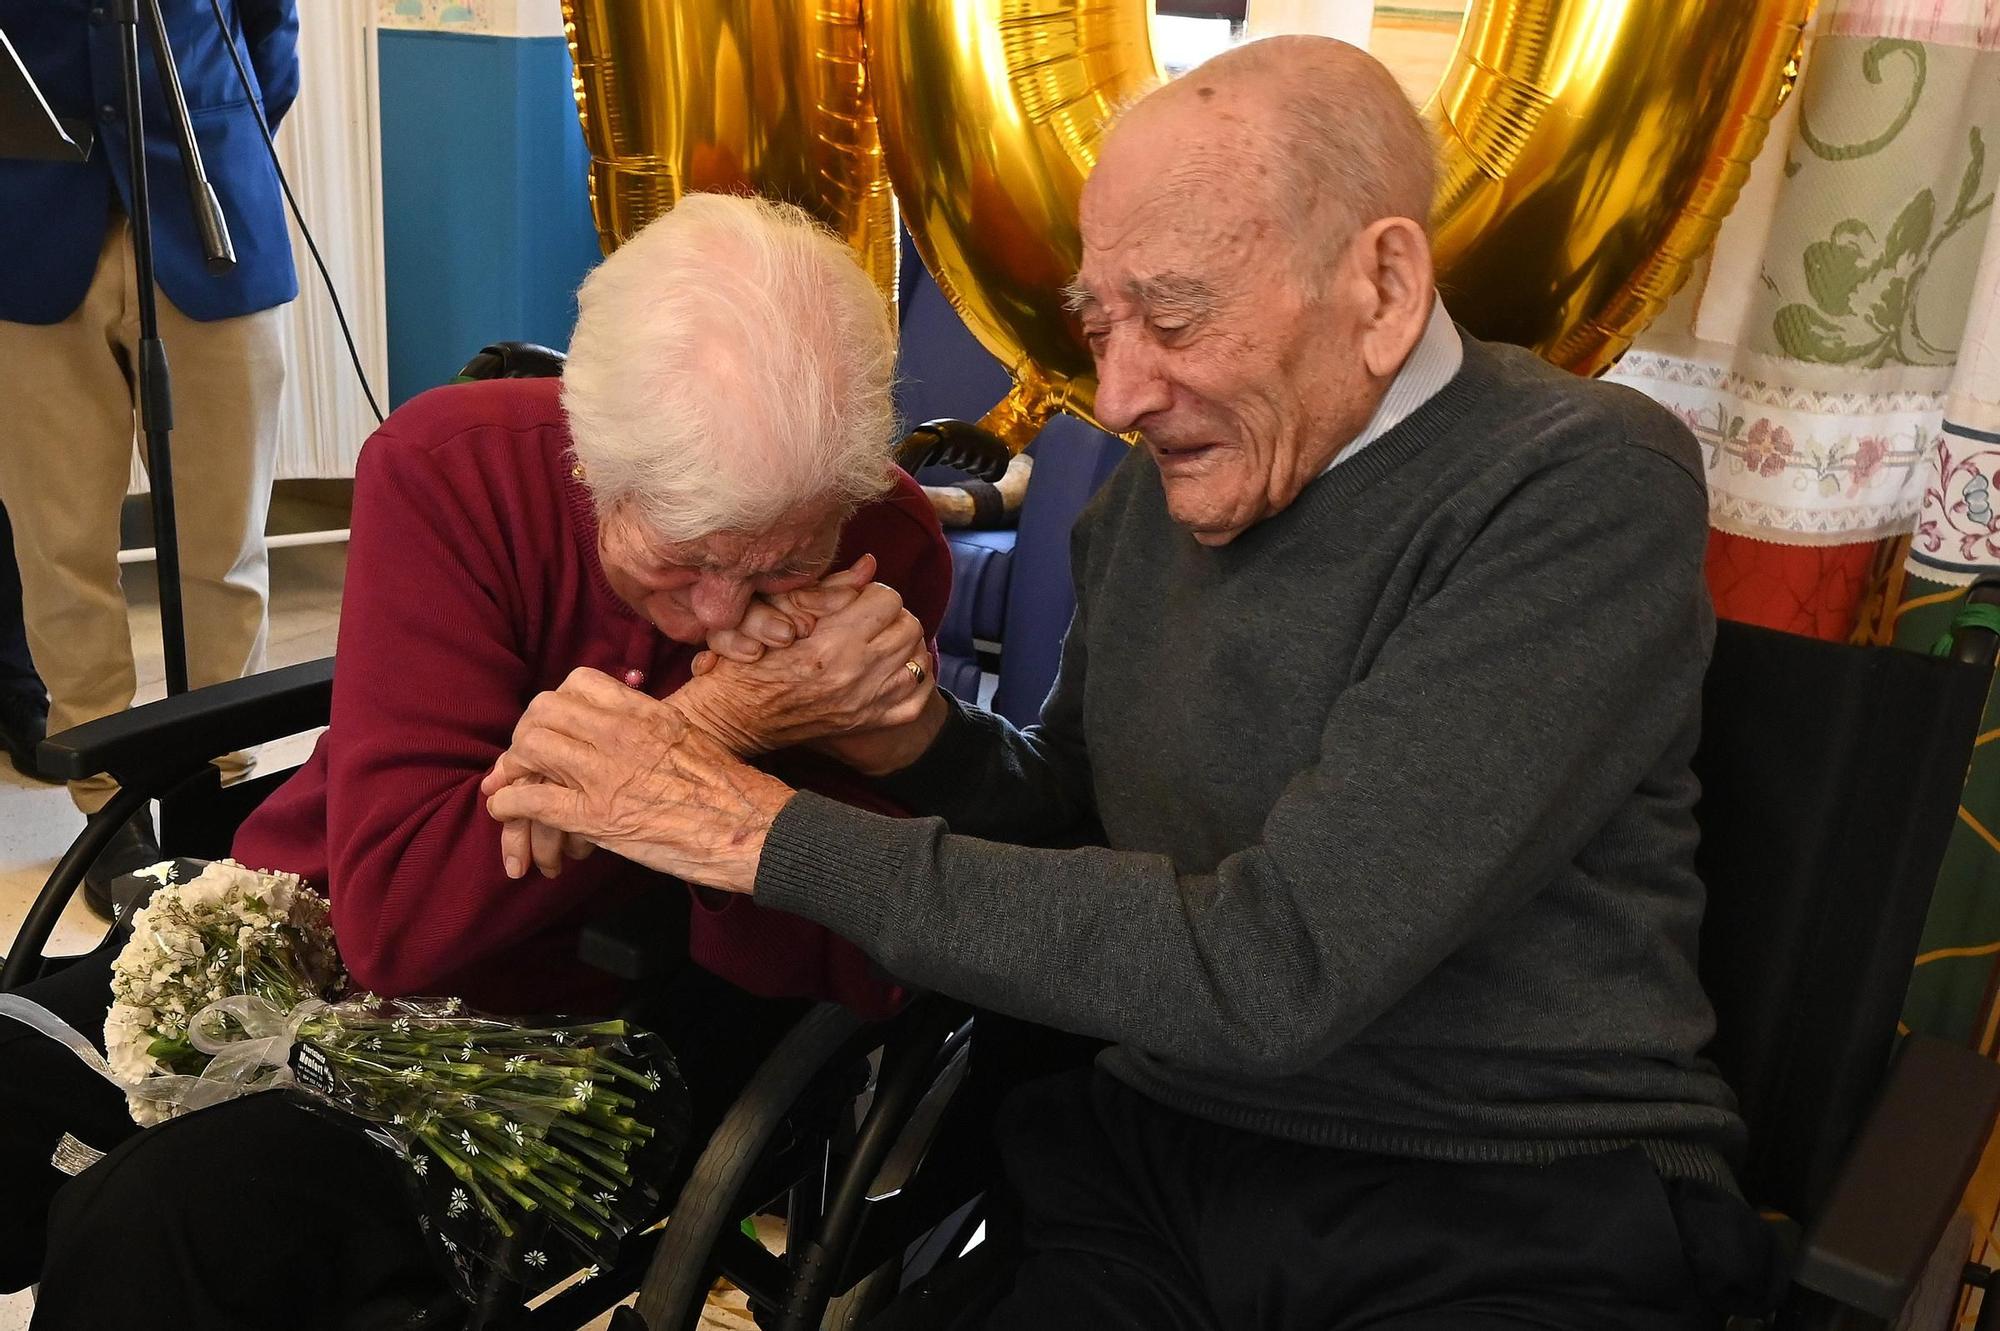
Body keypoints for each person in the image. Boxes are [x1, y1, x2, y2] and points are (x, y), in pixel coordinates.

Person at [486, 37, 1783, 1330]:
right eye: (1098, 323)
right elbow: (1085, 820)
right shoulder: (1159, 501)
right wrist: (909, 736)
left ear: (1382, 284)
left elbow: (1277, 967)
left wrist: (745, 830)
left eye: (1172, 318)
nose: (1117, 391)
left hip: (1504, 1198)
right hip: (1158, 1164)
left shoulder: (1578, 486)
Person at [4, 193, 953, 1327]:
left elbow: (845, 957)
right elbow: (394, 922)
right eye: (680, 558)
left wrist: (652, 783)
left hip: (605, 1039)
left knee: (158, 1226)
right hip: (316, 927)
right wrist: (716, 726)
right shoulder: (452, 470)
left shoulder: (880, 552)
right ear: (588, 461)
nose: (713, 614)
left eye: (778, 570)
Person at [0, 0, 299, 915]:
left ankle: (219, 774)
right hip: (26, 224)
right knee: (61, 549)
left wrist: (217, 131)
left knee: (225, 537)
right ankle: (109, 803)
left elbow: (267, 29)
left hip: (213, 206)